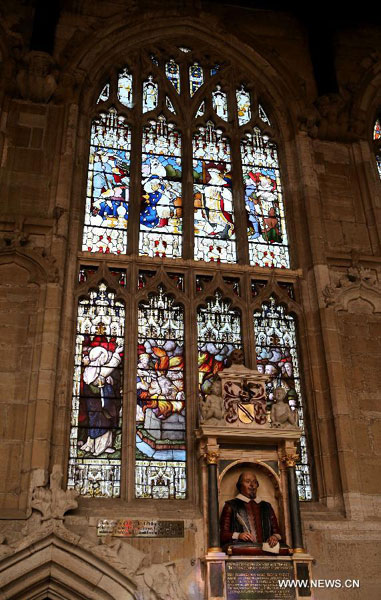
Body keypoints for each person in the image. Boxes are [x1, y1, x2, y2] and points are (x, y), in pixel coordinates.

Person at [220, 471, 281, 550]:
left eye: (254, 482)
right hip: (241, 552)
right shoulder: (231, 506)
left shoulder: (266, 506)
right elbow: (223, 535)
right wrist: (239, 535)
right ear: (240, 486)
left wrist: (274, 537)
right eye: (247, 482)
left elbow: (277, 533)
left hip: (266, 552)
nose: (252, 485)